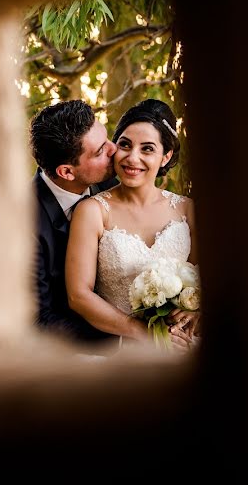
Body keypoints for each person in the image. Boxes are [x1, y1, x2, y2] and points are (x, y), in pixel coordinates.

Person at [66, 99, 200, 352]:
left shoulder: (187, 209)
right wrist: (146, 335)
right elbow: (79, 296)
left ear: (166, 156)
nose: (132, 157)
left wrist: (196, 312)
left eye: (147, 149)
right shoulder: (92, 211)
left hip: (184, 343)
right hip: (122, 346)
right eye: (125, 145)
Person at [30, 100, 119, 344]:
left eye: (107, 138)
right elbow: (39, 320)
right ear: (67, 172)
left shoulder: (111, 182)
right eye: (100, 151)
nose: (114, 149)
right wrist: (124, 338)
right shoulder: (24, 223)